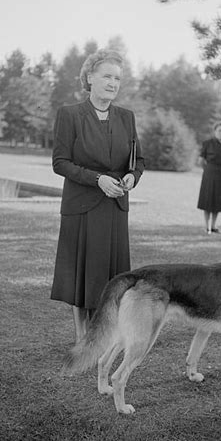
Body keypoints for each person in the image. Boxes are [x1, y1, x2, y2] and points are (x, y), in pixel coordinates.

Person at [50, 49, 145, 344]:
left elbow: (137, 161)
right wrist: (97, 179)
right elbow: (60, 163)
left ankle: (106, 334)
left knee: (114, 279)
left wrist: (131, 177)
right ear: (90, 78)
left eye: (117, 78)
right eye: (107, 76)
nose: (113, 83)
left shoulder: (127, 117)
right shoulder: (69, 115)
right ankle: (83, 338)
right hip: (82, 206)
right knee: (82, 276)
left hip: (115, 206)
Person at [197, 121, 221, 235]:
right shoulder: (207, 143)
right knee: (208, 199)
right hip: (209, 173)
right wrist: (208, 170)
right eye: (219, 130)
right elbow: (201, 160)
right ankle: (207, 226)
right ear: (215, 131)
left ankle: (213, 226)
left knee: (218, 200)